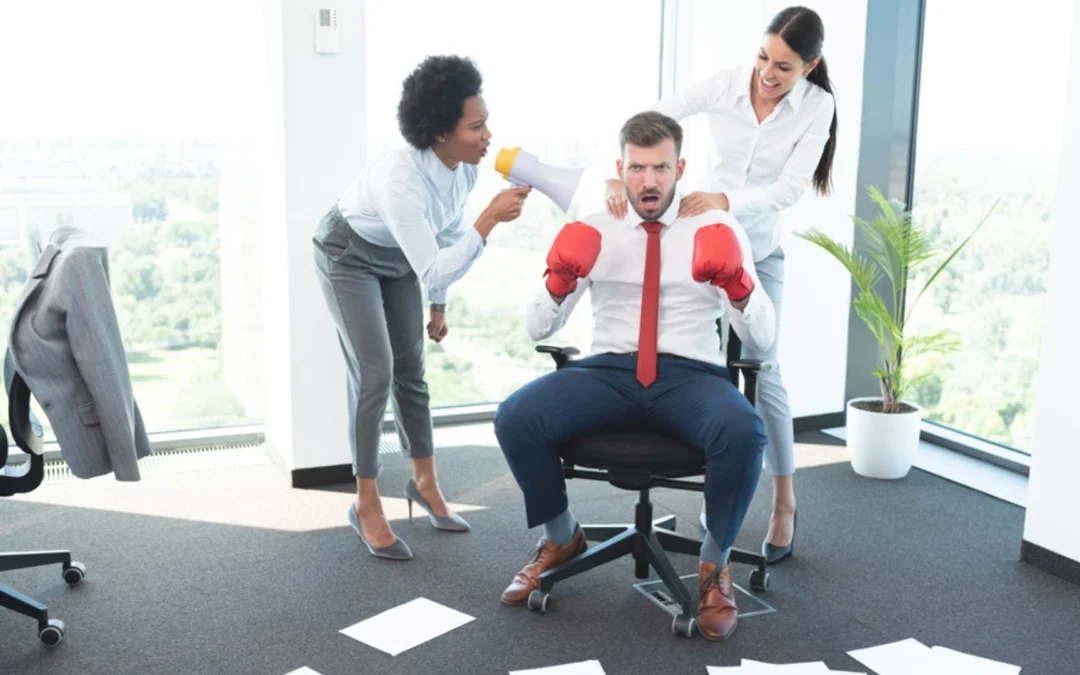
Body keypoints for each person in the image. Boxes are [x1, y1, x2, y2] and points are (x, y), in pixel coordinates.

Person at [494, 111, 776, 641]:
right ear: (621, 167)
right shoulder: (595, 223)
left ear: (680, 168)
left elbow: (761, 337)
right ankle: (562, 537)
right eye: (639, 167)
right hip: (610, 369)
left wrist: (736, 284)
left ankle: (715, 567)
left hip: (690, 375)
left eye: (661, 168)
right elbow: (537, 325)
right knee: (516, 416)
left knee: (743, 431)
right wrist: (559, 280)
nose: (649, 181)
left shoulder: (715, 227)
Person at [604, 5, 837, 564]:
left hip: (759, 250)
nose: (768, 73)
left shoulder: (817, 107)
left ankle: (783, 501)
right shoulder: (729, 84)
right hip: (704, 243)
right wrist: (624, 170)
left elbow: (787, 190)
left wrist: (726, 201)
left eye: (784, 66)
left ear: (810, 65)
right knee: (706, 367)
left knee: (763, 368)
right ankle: (718, 496)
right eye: (763, 56)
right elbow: (653, 116)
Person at [313, 55, 530, 561]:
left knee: (412, 371)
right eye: (476, 127)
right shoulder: (401, 181)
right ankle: (365, 504)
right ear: (438, 134)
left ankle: (425, 483)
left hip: (401, 259)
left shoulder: (464, 171)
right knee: (375, 373)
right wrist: (490, 221)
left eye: (486, 122)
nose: (488, 135)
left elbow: (445, 235)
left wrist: (438, 305)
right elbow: (439, 257)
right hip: (348, 255)